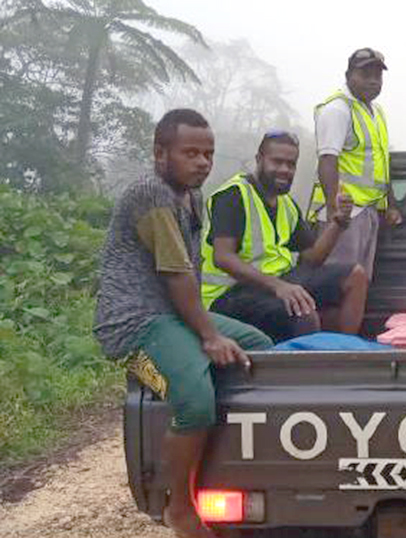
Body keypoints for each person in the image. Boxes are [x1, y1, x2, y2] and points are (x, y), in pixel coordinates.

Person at [94, 109, 273, 538]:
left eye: (208, 153)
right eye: (190, 152)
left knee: (260, 344)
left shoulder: (191, 198)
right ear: (160, 153)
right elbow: (176, 274)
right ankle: (179, 505)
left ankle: (231, 456)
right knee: (193, 398)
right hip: (134, 322)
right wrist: (208, 336)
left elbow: (186, 277)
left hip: (172, 314)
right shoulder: (151, 194)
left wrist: (208, 333)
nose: (202, 162)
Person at [202, 131, 369, 342]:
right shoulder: (233, 195)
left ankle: (347, 356)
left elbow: (312, 259)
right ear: (259, 159)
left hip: (273, 284)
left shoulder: (286, 204)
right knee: (303, 311)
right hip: (228, 296)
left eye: (291, 164)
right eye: (277, 162)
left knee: (355, 276)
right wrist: (280, 287)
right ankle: (301, 372)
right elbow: (223, 258)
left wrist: (338, 223)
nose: (284, 170)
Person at [308, 47, 404, 281]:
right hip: (345, 214)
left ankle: (351, 320)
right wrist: (334, 212)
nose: (373, 81)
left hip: (368, 211)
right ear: (348, 75)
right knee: (338, 283)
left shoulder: (375, 111)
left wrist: (390, 204)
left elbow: (380, 162)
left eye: (377, 75)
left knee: (360, 283)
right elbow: (327, 159)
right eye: (365, 74)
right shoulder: (337, 109)